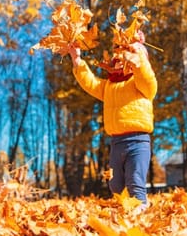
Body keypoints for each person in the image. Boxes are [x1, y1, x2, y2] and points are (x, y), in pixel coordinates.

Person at [66, 34, 157, 214]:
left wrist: (136, 54)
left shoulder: (142, 84)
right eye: (116, 58)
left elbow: (146, 76)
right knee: (115, 184)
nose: (118, 60)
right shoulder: (108, 86)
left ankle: (140, 206)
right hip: (117, 142)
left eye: (124, 57)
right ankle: (124, 208)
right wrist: (77, 59)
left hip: (139, 141)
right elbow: (90, 83)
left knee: (135, 179)